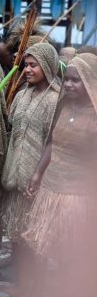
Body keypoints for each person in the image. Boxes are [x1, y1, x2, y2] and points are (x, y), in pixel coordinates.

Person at [0, 42, 59, 296]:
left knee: (35, 237)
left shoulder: (55, 100)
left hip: (37, 178)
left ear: (47, 66)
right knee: (17, 234)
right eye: (25, 65)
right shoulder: (22, 94)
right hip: (14, 172)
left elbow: (54, 142)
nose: (28, 70)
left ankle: (37, 287)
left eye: (33, 65)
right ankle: (22, 284)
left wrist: (39, 175)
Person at [24, 53, 97, 258]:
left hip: (78, 195)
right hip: (51, 188)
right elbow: (51, 144)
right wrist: (38, 174)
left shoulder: (94, 116)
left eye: (76, 81)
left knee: (72, 250)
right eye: (67, 79)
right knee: (45, 246)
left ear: (91, 81)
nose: (69, 85)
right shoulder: (64, 105)